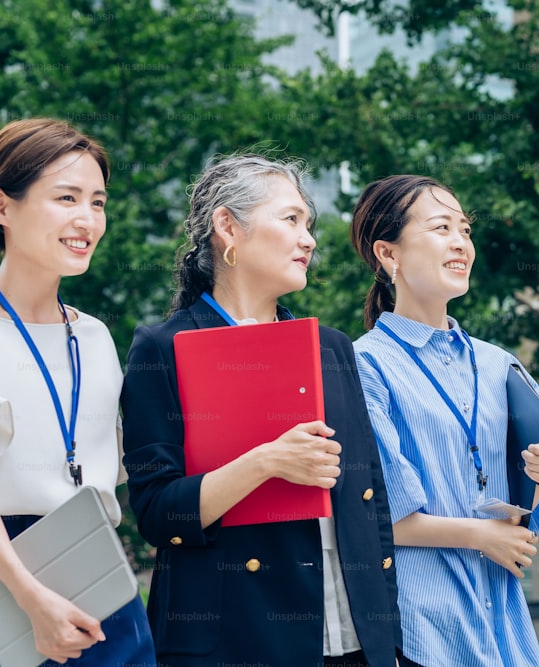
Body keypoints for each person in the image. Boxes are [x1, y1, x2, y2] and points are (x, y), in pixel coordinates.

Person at [119, 154, 402, 667]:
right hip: (237, 642)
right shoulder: (165, 348)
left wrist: (389, 641)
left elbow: (370, 505)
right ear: (227, 226)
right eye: (290, 219)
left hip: (355, 640)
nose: (309, 239)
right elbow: (160, 513)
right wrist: (267, 462)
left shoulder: (332, 348)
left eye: (308, 224)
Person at [0, 118, 156, 665]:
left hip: (101, 576)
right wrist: (31, 597)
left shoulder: (95, 335)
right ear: (2, 207)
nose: (87, 220)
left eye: (98, 202)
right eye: (67, 198)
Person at [350, 174, 539, 667]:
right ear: (389, 255)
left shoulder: (503, 366)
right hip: (423, 630)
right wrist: (480, 535)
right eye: (441, 228)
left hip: (505, 632)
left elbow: (526, 518)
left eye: (466, 230)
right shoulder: (365, 365)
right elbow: (379, 515)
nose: (461, 242)